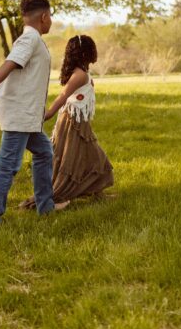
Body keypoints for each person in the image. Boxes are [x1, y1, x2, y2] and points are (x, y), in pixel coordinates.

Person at [0, 0, 68, 223]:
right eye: (50, 16)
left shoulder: (31, 39)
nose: (50, 21)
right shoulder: (29, 40)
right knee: (8, 165)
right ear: (44, 17)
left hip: (26, 116)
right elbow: (9, 65)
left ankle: (46, 206)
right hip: (19, 114)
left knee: (43, 152)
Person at [22, 35, 113, 209]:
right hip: (73, 122)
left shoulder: (81, 72)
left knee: (93, 156)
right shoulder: (79, 75)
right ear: (86, 52)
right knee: (72, 159)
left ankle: (96, 192)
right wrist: (48, 113)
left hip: (78, 121)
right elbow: (63, 96)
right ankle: (57, 196)